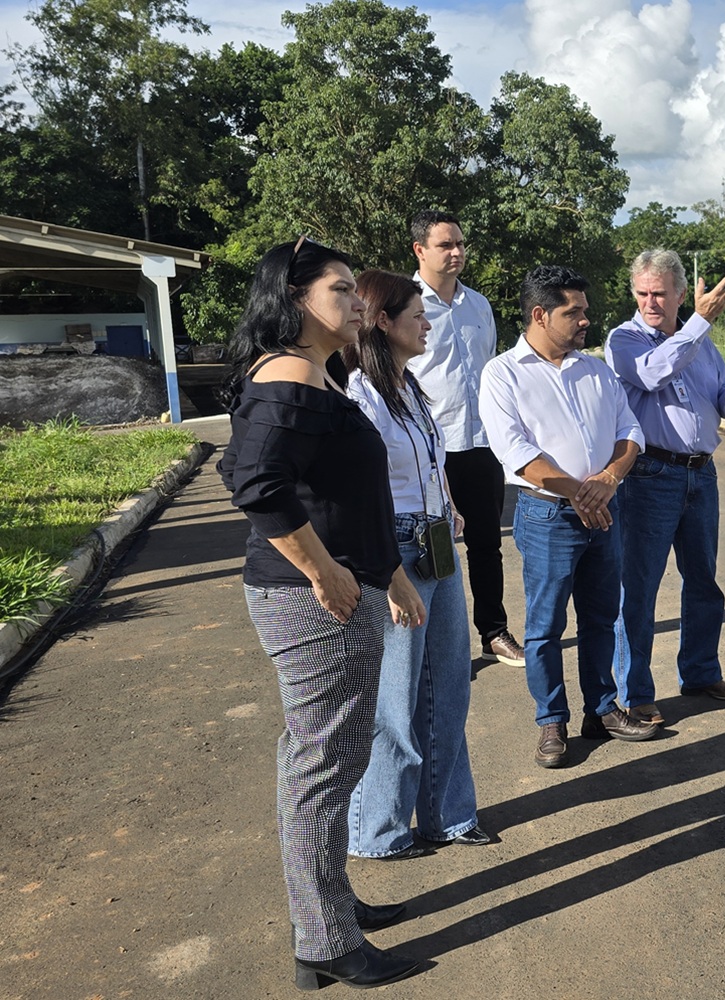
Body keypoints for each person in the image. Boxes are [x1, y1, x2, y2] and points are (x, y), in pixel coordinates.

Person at [218, 237, 425, 990]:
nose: (355, 302)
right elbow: (254, 483)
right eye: (340, 289)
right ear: (295, 298)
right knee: (319, 769)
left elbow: (341, 494)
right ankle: (324, 943)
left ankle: (330, 903)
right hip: (309, 601)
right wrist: (325, 569)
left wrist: (389, 576)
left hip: (345, 586)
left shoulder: (317, 375)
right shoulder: (291, 374)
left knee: (332, 762)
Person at [481, 265, 658, 768]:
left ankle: (601, 710)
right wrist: (580, 492)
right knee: (545, 625)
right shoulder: (503, 374)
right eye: (573, 311)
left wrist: (608, 480)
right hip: (547, 516)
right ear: (539, 314)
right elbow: (513, 450)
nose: (585, 319)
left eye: (584, 310)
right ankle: (551, 720)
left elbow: (630, 430)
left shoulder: (596, 369)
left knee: (603, 615)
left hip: (604, 510)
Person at [341, 269, 488, 860]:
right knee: (396, 698)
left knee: (449, 684)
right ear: (383, 321)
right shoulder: (361, 396)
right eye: (417, 315)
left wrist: (448, 509)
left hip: (434, 541)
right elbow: (361, 494)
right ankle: (377, 829)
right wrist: (389, 574)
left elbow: (432, 464)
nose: (428, 324)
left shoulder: (409, 389)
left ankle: (448, 816)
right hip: (394, 549)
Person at [605, 249, 725, 726]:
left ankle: (699, 671)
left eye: (660, 293)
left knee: (703, 581)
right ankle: (635, 693)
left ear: (678, 293)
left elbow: (719, 399)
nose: (651, 302)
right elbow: (652, 373)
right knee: (640, 588)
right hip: (650, 473)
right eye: (642, 293)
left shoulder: (701, 342)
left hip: (701, 471)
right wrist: (699, 322)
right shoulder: (624, 339)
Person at [407, 209, 524, 668]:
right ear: (420, 250)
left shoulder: (479, 305)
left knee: (486, 543)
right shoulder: (404, 306)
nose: (456, 252)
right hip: (429, 447)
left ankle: (493, 632)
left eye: (460, 243)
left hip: (481, 442)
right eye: (445, 245)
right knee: (431, 545)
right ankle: (437, 647)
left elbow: (492, 371)